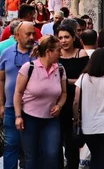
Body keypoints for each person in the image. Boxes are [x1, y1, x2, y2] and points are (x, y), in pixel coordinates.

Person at [13, 35, 66, 169]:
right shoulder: (28, 67)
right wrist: (18, 116)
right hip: (29, 118)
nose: (61, 53)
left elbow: (64, 93)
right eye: (58, 50)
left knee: (52, 154)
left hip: (51, 119)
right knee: (31, 158)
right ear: (48, 52)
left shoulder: (60, 69)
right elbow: (18, 93)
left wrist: (59, 105)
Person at [0, 21, 36, 169]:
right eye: (28, 34)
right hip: (11, 109)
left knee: (31, 148)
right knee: (10, 145)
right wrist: (0, 104)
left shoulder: (40, 52)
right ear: (16, 36)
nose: (32, 37)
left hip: (34, 109)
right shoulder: (6, 53)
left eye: (33, 33)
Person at [57, 25, 89, 169]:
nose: (64, 41)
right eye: (60, 38)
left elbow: (84, 78)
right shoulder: (56, 55)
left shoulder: (81, 54)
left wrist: (64, 80)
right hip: (57, 101)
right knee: (56, 143)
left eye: (66, 37)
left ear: (73, 38)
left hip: (76, 101)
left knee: (72, 143)